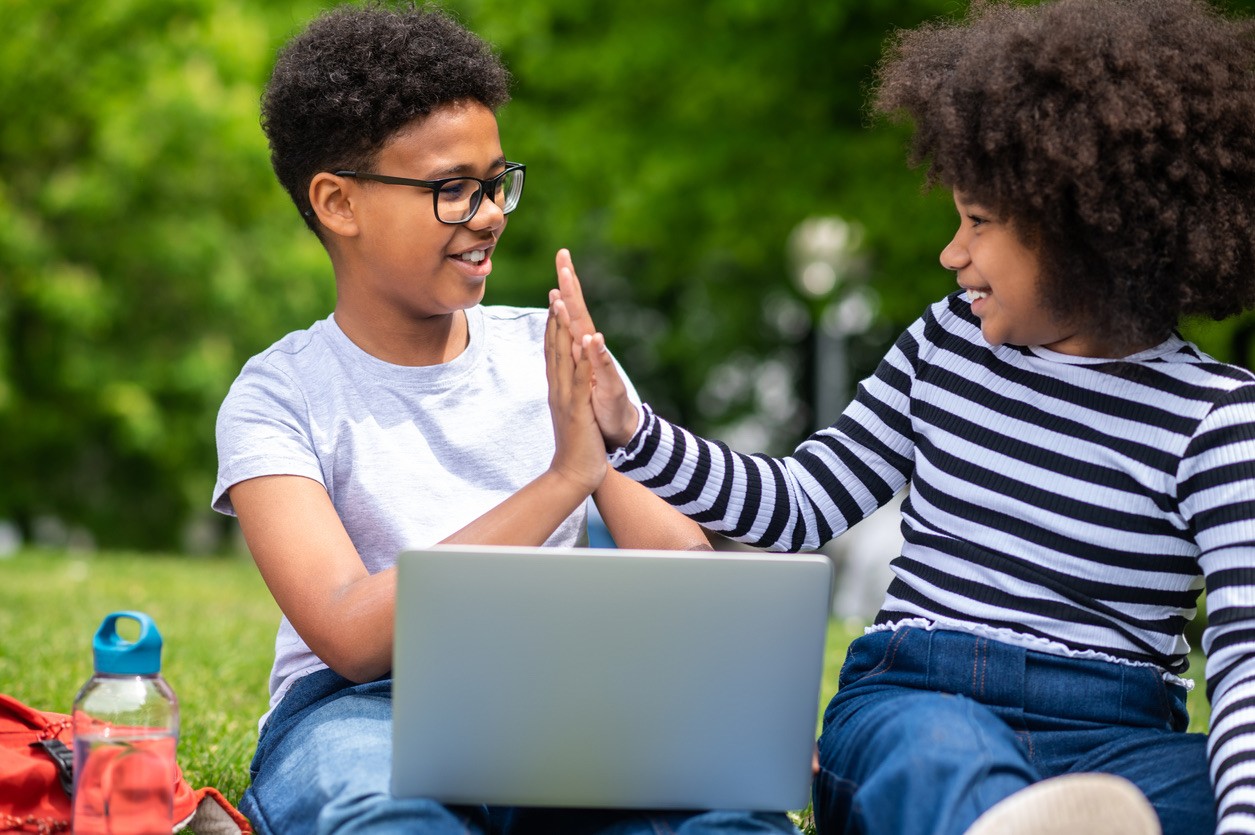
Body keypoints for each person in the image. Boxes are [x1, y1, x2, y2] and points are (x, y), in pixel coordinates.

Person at [548, 0, 1255, 833]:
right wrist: (632, 429)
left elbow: (1243, 659)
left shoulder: (1218, 419)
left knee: (1199, 787)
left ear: (1083, 233)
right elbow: (800, 503)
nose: (950, 253)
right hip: (921, 693)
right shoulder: (944, 341)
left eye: (978, 223)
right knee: (937, 756)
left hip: (1115, 732)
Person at [212, 4, 801, 834]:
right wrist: (567, 478)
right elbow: (348, 632)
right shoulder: (280, 394)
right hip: (360, 711)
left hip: (557, 697)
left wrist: (724, 713)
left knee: (727, 817)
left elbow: (679, 563)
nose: (490, 212)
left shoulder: (553, 352)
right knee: (381, 814)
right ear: (339, 204)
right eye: (452, 190)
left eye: (494, 183)